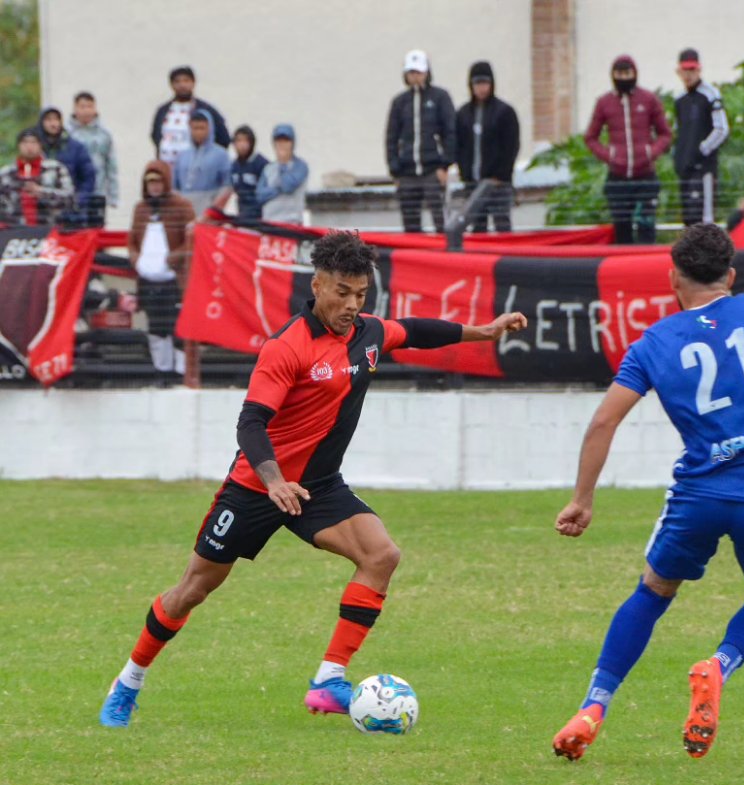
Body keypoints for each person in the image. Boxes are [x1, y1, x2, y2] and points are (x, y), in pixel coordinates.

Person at [98, 230, 528, 728]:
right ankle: (128, 681)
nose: (352, 304)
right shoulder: (287, 347)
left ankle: (328, 679)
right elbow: (250, 423)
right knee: (192, 590)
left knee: (381, 555)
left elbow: (414, 330)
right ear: (318, 284)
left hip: (319, 488)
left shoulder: (368, 333)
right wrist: (274, 480)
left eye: (361, 295)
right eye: (342, 293)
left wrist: (484, 330)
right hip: (257, 489)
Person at [550, 223, 744, 762]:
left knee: (652, 592)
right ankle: (717, 666)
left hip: (699, 495)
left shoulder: (654, 343)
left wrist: (583, 498)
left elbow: (604, 422)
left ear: (673, 278)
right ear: (732, 276)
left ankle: (594, 706)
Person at [585, 55, 672, 244]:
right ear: (613, 75)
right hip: (618, 178)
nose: (623, 78)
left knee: (646, 226)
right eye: (619, 73)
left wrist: (651, 152)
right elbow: (590, 137)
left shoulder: (649, 99)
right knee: (621, 228)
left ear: (634, 74)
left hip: (645, 177)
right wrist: (609, 155)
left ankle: (647, 268)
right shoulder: (604, 102)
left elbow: (665, 134)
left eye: (627, 73)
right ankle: (623, 270)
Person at [128, 161, 195, 375]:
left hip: (173, 282)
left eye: (158, 182)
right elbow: (131, 241)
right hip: (149, 283)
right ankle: (162, 370)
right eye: (150, 183)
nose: (154, 187)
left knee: (178, 327)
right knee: (156, 328)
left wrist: (172, 259)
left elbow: (193, 240)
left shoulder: (182, 206)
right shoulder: (140, 209)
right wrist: (137, 260)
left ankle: (181, 372)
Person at [385, 50, 457, 233]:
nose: (415, 76)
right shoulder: (400, 102)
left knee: (441, 222)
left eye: (418, 72)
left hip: (433, 170)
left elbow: (450, 132)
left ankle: (445, 257)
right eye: (411, 72)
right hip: (407, 172)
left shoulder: (440, 97)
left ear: (426, 73)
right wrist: (395, 170)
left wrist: (445, 165)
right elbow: (391, 137)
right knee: (410, 224)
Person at [454, 61, 520, 232]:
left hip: (497, 184)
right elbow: (459, 146)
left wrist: (500, 175)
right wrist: (465, 174)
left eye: (485, 83)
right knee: (477, 227)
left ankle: (505, 257)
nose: (482, 88)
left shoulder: (505, 112)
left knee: (502, 225)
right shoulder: (463, 114)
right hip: (472, 183)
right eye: (477, 83)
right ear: (471, 85)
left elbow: (511, 147)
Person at [674, 48, 729, 226]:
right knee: (688, 217)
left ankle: (706, 253)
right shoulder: (679, 99)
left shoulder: (711, 94)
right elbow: (679, 131)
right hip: (685, 169)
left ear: (699, 70)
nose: (689, 75)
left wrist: (702, 149)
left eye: (692, 70)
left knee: (704, 218)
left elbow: (722, 129)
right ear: (679, 72)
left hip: (704, 168)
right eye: (685, 70)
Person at [151, 65, 231, 165]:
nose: (182, 85)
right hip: (166, 168)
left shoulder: (206, 110)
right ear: (171, 85)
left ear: (193, 83)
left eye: (186, 81)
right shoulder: (163, 111)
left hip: (196, 170)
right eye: (177, 81)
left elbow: (223, 138)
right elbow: (155, 136)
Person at [34, 106, 95, 226]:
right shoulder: (35, 148)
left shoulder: (76, 148)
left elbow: (88, 178)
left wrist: (79, 201)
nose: (53, 124)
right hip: (41, 213)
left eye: (56, 119)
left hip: (70, 212)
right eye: (48, 120)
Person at [0, 129, 74, 225]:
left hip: (50, 227)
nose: (29, 146)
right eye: (25, 142)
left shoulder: (55, 168)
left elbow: (70, 197)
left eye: (33, 142)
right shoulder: (6, 173)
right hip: (13, 229)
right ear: (19, 146)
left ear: (40, 145)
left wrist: (41, 192)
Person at [68, 92, 118, 227]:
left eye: (89, 106)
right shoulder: (67, 134)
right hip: (74, 193)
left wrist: (113, 194)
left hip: (98, 192)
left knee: (96, 229)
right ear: (75, 108)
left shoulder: (104, 135)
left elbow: (111, 165)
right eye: (82, 107)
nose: (86, 111)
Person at [173, 110, 232, 218]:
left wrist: (214, 210)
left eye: (202, 128)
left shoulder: (221, 155)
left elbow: (227, 186)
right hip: (184, 212)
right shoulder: (182, 156)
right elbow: (174, 186)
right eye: (195, 128)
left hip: (209, 210)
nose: (198, 132)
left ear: (210, 129)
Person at [256, 124, 309, 224]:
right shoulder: (268, 168)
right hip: (270, 222)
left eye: (286, 141)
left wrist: (283, 164)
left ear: (292, 143)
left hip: (292, 222)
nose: (282, 144)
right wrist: (277, 189)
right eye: (279, 141)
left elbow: (288, 186)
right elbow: (260, 195)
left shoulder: (300, 166)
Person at [226, 125, 269, 222]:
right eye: (238, 141)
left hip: (260, 216)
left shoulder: (262, 164)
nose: (242, 145)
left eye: (245, 141)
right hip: (242, 213)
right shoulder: (234, 166)